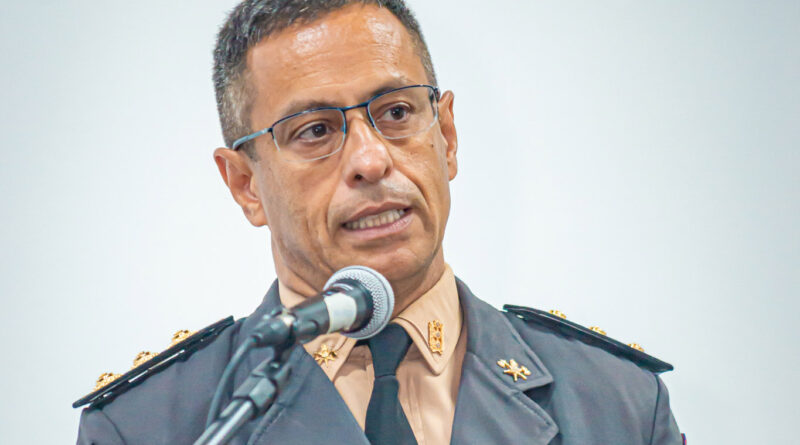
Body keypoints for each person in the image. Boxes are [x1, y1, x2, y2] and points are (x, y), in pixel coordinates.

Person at [74, 1, 684, 444]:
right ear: (244, 184)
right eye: (315, 130)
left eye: (395, 112)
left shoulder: (618, 405)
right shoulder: (146, 427)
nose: (370, 160)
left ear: (446, 136)